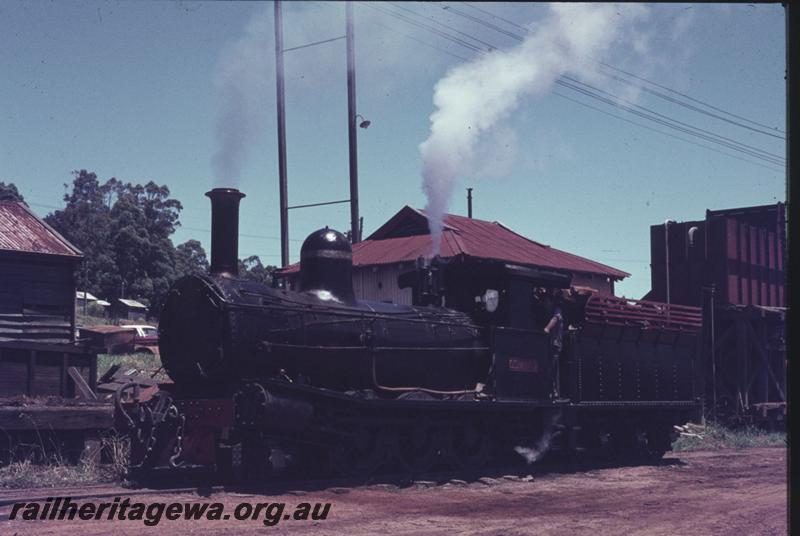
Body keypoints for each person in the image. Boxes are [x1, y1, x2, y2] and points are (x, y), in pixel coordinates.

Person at [543, 293, 564, 399]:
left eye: (547, 301)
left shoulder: (557, 310)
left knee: (553, 368)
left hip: (555, 343)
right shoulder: (550, 311)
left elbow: (556, 318)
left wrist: (547, 328)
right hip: (551, 343)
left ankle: (555, 392)